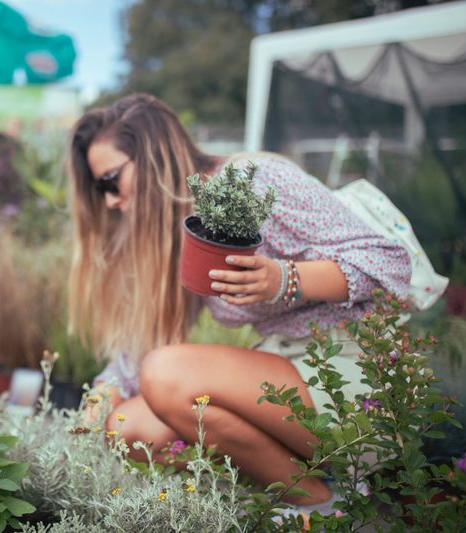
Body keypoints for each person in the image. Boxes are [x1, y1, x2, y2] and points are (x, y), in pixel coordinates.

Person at [68, 94, 411, 516]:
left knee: (165, 372)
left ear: (152, 156)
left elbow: (390, 263)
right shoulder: (181, 231)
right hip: (288, 371)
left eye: (110, 181)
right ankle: (299, 491)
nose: (110, 201)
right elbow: (147, 342)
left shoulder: (253, 182)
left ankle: (319, 509)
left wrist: (282, 279)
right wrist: (102, 395)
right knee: (129, 428)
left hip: (356, 375)